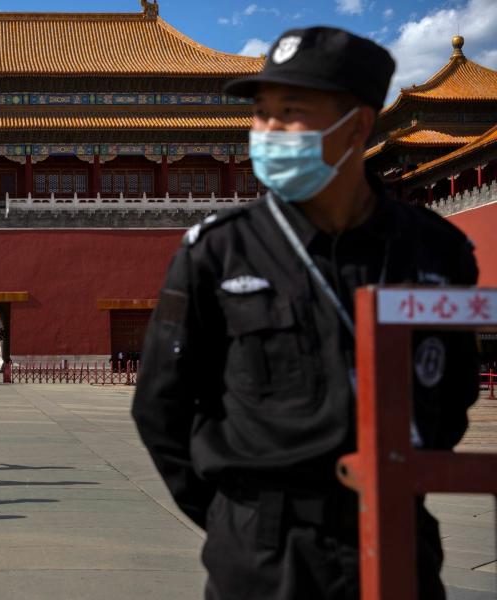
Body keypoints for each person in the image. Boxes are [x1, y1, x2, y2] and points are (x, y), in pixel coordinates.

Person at [132, 27, 480, 600]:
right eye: (261, 114)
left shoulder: (437, 252)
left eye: (289, 114)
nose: (266, 133)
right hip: (263, 553)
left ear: (358, 124)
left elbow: (453, 393)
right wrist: (234, 515)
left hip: (397, 539)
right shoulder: (217, 253)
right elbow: (159, 408)